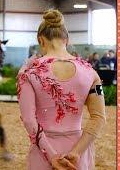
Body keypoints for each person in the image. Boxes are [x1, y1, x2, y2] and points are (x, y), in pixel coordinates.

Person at [17, 9, 106, 170]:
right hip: (78, 152)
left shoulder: (28, 73)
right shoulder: (92, 73)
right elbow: (99, 118)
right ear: (67, 39)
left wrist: (52, 157)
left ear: (40, 40)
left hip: (44, 152)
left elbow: (29, 120)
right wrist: (77, 153)